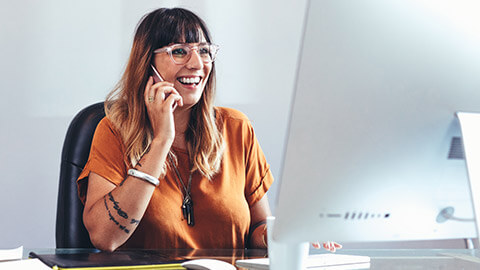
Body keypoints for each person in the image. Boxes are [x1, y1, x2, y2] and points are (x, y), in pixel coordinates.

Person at [77, 7, 273, 251]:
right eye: (179, 52)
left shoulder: (237, 128)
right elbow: (105, 238)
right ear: (147, 64)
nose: (197, 63)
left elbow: (258, 229)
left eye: (204, 51)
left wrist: (279, 235)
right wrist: (162, 140)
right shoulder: (115, 131)